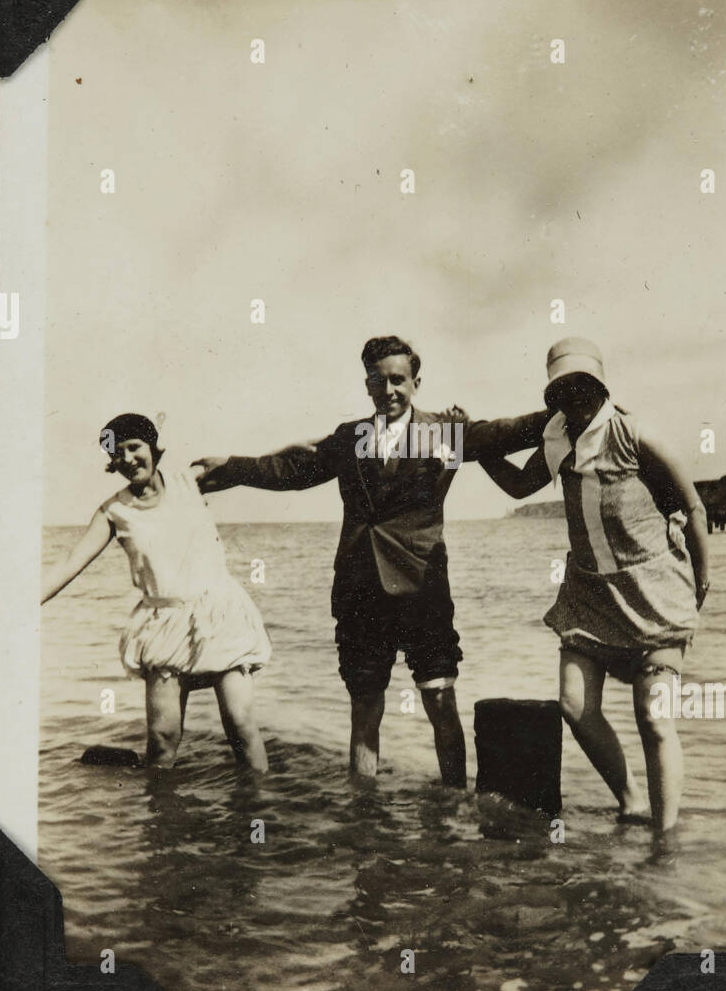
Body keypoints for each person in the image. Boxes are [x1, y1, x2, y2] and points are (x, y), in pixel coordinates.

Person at [194, 336, 547, 787]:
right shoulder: (351, 437)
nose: (389, 390)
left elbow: (510, 430)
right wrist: (231, 466)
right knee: (365, 709)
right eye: (379, 381)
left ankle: (453, 805)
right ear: (367, 384)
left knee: (441, 705)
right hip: (359, 593)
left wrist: (576, 408)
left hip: (424, 590)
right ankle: (364, 818)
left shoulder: (446, 432)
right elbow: (291, 473)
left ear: (416, 382)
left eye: (398, 380)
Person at [479, 338, 709, 832]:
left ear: (601, 387)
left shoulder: (632, 434)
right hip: (589, 598)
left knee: (654, 717)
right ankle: (631, 804)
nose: (576, 398)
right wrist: (479, 453)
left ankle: (665, 842)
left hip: (655, 596)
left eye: (584, 387)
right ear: (553, 396)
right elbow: (519, 486)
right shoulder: (558, 440)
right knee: (575, 706)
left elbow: (693, 508)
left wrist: (702, 580)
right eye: (564, 390)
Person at [41, 413, 272, 770]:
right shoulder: (114, 511)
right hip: (163, 624)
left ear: (153, 448)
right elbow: (71, 561)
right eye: (117, 453)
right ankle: (161, 819)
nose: (128, 459)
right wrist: (17, 606)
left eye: (134, 447)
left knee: (240, 725)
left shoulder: (189, 482)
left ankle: (262, 812)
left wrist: (320, 448)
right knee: (163, 739)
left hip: (220, 613)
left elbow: (262, 467)